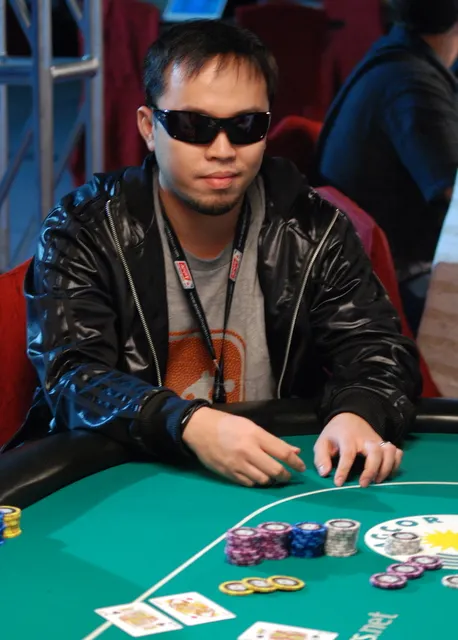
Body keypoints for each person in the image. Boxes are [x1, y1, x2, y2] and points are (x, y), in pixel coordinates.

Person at [16, 20, 420, 489]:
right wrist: (187, 422)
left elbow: (377, 350)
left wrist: (359, 411)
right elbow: (72, 377)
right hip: (124, 479)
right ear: (149, 127)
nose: (223, 150)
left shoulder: (312, 227)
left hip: (273, 481)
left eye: (246, 126)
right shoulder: (84, 230)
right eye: (194, 126)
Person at [316, 0, 458, 334]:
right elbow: (452, 191)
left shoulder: (395, 57)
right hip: (394, 285)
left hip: (367, 269)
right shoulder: (412, 85)